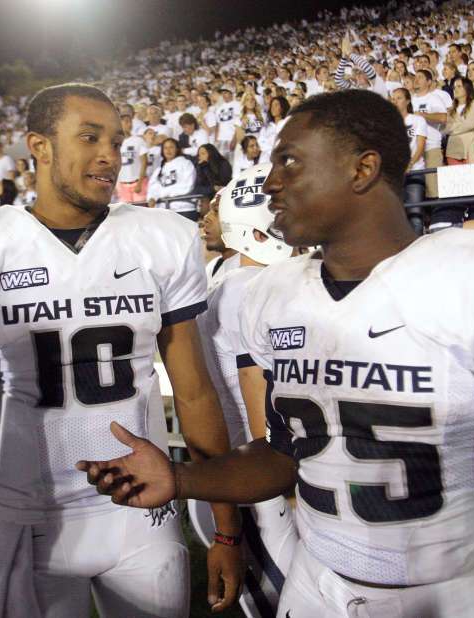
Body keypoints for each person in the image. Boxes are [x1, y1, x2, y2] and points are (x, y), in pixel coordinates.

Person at [81, 90, 474, 618]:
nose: (272, 182)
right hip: (316, 582)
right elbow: (285, 454)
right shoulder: (269, 297)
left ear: (362, 168)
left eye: (290, 162)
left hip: (447, 591)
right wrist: (181, 480)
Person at [0, 83, 243, 618]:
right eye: (89, 137)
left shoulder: (161, 237)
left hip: (145, 516)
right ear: (39, 146)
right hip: (31, 518)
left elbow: (194, 392)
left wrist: (225, 532)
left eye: (117, 141)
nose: (110, 156)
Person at [194, 164, 299, 617]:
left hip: (232, 475)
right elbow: (259, 403)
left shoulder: (224, 279)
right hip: (257, 485)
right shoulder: (253, 289)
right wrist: (290, 492)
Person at [392, 87, 427, 236]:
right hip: (395, 175)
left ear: (407, 101)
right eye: (393, 98)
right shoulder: (388, 123)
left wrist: (410, 164)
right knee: (396, 216)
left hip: (415, 171)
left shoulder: (417, 120)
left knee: (415, 215)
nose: (395, 101)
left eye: (399, 98)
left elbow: (420, 146)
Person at [411, 69, 452, 198]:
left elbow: (443, 117)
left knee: (433, 189)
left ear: (429, 82)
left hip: (430, 148)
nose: (416, 79)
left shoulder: (434, 98)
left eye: (420, 77)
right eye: (415, 77)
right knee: (415, 189)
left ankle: (438, 217)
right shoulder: (410, 100)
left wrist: (422, 115)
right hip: (413, 150)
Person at [147, 138, 198, 221]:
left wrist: (162, 193)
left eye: (171, 147)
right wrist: (152, 197)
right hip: (163, 211)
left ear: (177, 149)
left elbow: (187, 186)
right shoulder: (159, 169)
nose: (168, 150)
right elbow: (152, 188)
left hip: (183, 209)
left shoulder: (186, 163)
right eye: (165, 148)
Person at [200, 189, 239, 292]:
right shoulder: (213, 265)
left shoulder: (258, 270)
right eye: (209, 211)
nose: (206, 217)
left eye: (216, 211)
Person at [443, 77, 474, 164]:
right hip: (453, 149)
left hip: (473, 147)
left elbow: (470, 125)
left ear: (467, 88)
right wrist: (452, 128)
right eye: (454, 87)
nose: (455, 89)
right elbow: (446, 128)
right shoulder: (451, 109)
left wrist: (452, 129)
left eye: (459, 86)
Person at [116, 113, 148, 204]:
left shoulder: (138, 140)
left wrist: (140, 183)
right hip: (123, 184)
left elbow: (144, 162)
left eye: (130, 122)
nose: (129, 124)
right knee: (126, 216)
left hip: (138, 183)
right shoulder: (115, 143)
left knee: (141, 213)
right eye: (126, 122)